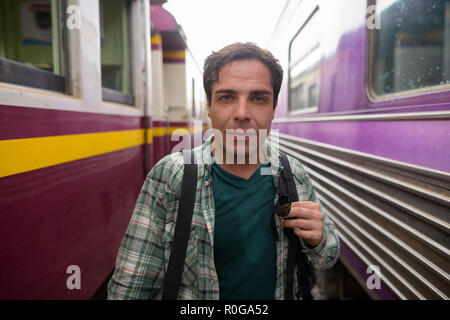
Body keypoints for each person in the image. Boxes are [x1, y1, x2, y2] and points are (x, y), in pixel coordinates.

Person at [107, 42, 340, 300]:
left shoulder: (292, 174)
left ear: (274, 109)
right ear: (209, 106)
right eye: (227, 97)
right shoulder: (172, 176)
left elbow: (326, 258)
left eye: (259, 98)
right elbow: (131, 288)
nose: (242, 113)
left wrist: (317, 240)